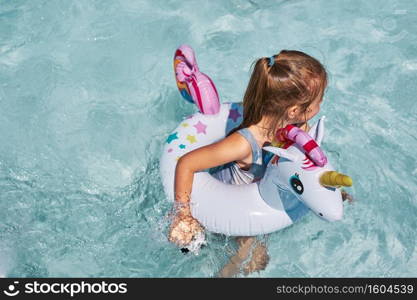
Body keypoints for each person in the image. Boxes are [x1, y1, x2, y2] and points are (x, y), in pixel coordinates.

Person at [168, 50, 328, 277]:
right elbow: (186, 163)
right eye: (318, 101)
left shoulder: (300, 129)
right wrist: (182, 214)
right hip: (229, 203)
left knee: (260, 260)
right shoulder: (244, 143)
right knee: (253, 256)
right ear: (293, 111)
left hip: (263, 194)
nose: (320, 104)